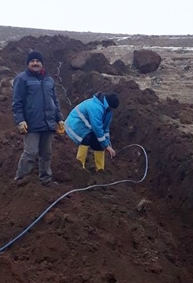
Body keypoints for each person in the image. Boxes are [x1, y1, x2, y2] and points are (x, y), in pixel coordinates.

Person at [12, 51, 65, 185]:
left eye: (38, 61)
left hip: (48, 123)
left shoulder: (49, 80)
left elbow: (55, 101)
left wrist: (59, 119)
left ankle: (45, 179)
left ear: (42, 64)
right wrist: (20, 120)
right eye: (32, 61)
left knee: (46, 154)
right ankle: (20, 180)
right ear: (28, 64)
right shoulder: (22, 79)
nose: (35, 63)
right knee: (30, 153)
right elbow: (17, 102)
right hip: (31, 123)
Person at [65, 92, 119, 171]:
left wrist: (108, 144)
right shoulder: (96, 107)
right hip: (74, 123)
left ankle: (100, 169)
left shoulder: (108, 110)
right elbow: (97, 128)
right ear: (109, 105)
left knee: (99, 142)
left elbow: (105, 128)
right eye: (112, 109)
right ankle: (80, 166)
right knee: (86, 137)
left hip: (87, 125)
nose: (112, 111)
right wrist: (106, 146)